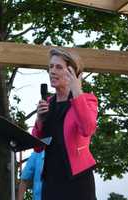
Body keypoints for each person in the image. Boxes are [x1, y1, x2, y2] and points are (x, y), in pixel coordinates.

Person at [32, 48, 98, 200]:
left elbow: (88, 129)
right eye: (51, 67)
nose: (52, 71)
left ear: (72, 73)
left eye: (59, 67)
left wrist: (77, 91)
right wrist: (40, 121)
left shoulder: (87, 100)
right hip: (51, 181)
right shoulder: (48, 103)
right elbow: (37, 147)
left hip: (77, 180)